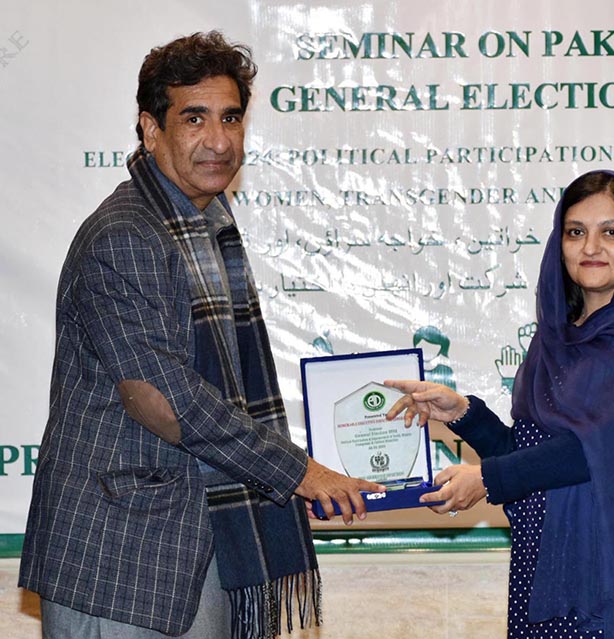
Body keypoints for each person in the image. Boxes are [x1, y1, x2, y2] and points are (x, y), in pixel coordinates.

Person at [19, 31, 382, 639]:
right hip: (121, 558)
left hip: (192, 537)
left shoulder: (207, 225)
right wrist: (302, 472)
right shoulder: (128, 234)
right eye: (194, 118)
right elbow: (163, 403)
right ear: (150, 128)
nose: (218, 140)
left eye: (231, 118)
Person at [386, 170, 614, 639]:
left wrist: (487, 480)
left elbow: (601, 447)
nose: (591, 247)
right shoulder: (555, 337)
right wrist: (464, 415)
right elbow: (534, 453)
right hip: (546, 565)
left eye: (611, 232)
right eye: (576, 232)